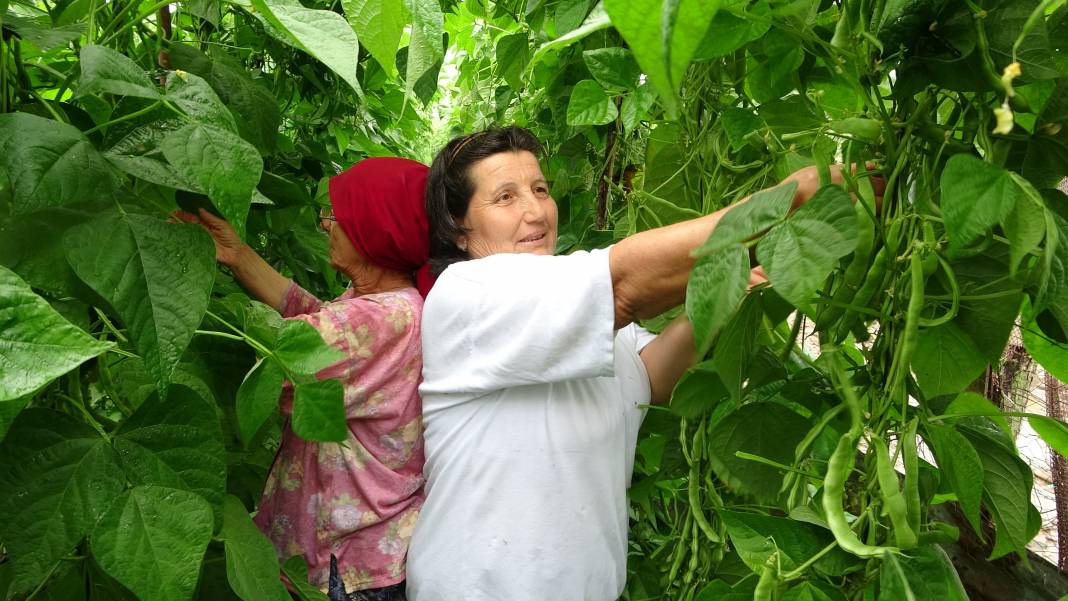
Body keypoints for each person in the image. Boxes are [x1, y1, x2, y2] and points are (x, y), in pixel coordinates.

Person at [406, 126, 847, 600]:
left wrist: (734, 288)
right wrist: (788, 199)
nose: (534, 211)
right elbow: (625, 286)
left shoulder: (576, 315)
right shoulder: (464, 295)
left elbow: (650, 376)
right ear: (458, 226)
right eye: (505, 198)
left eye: (540, 189)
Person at [179, 157, 430, 601]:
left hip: (344, 566)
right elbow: (319, 322)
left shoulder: (373, 321)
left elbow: (276, 365)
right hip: (374, 551)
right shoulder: (391, 303)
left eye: (337, 216)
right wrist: (238, 255)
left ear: (374, 228)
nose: (325, 224)